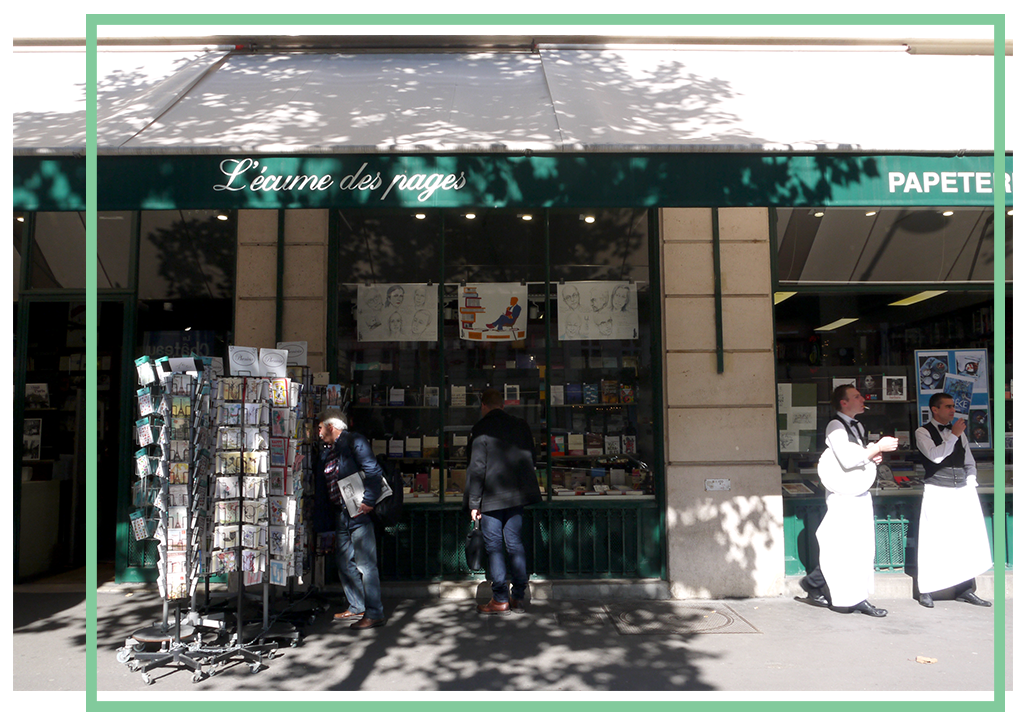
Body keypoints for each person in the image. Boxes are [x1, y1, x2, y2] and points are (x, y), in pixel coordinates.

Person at [800, 385, 898, 617]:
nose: (862, 399)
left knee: (859, 546)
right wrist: (876, 447)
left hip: (857, 493)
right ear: (843, 403)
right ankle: (847, 596)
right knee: (845, 546)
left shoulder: (858, 425)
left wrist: (871, 456)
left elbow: (856, 457)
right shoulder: (835, 425)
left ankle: (837, 590)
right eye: (856, 396)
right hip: (843, 496)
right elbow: (846, 458)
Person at [464, 389, 543, 614]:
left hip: (491, 497)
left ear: (484, 406)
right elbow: (531, 457)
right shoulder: (521, 425)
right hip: (516, 494)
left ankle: (500, 598)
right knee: (515, 543)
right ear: (503, 405)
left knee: (494, 547)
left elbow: (477, 468)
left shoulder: (481, 429)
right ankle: (519, 595)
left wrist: (474, 502)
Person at [913, 393, 992, 608]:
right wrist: (954, 435)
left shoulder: (959, 434)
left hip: (961, 490)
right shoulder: (922, 432)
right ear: (935, 410)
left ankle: (965, 589)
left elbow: (969, 460)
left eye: (953, 406)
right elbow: (936, 456)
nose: (952, 410)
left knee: (964, 540)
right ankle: (926, 589)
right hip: (937, 489)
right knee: (933, 541)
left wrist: (971, 481)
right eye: (947, 406)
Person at [316, 408, 387, 629]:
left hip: (358, 512)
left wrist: (369, 501)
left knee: (366, 564)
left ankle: (374, 613)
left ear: (331, 427)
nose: (318, 433)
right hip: (341, 513)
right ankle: (357, 605)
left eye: (320, 428)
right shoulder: (327, 450)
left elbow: (373, 470)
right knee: (344, 561)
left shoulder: (354, 441)